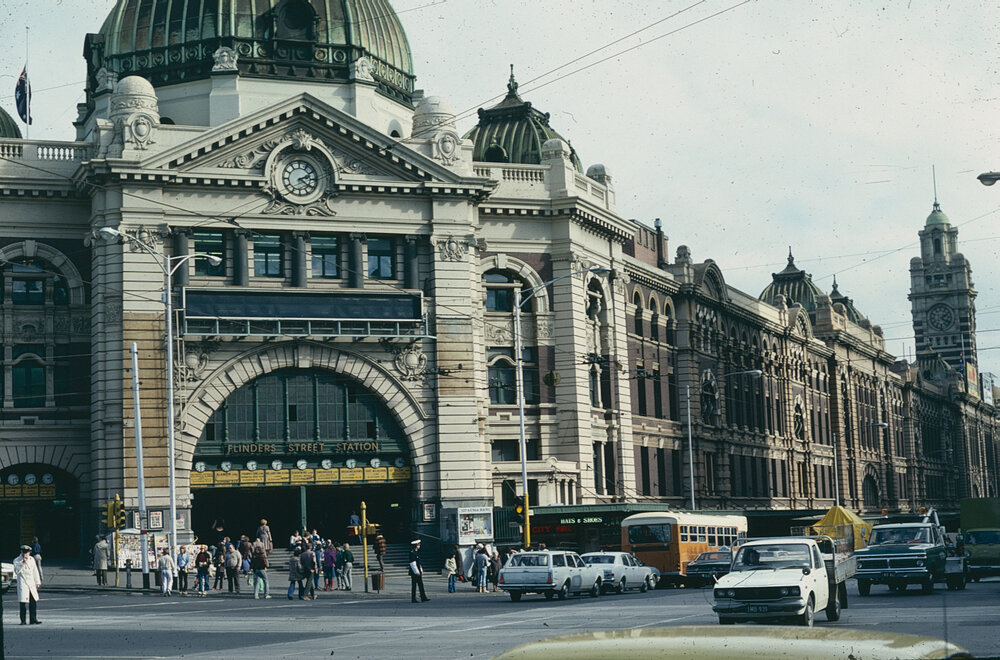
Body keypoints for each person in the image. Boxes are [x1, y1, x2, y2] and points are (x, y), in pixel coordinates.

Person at [13, 545, 42, 625]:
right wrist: (23, 562)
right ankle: (23, 620)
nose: (26, 554)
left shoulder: (31, 559)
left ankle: (33, 619)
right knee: (23, 603)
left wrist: (37, 582)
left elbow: (35, 571)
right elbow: (17, 571)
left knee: (33, 602)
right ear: (21, 552)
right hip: (23, 584)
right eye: (24, 553)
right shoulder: (17, 560)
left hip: (31, 583)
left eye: (27, 553)